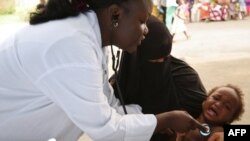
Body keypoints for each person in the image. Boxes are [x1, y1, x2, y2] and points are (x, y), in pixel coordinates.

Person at [0, 0, 206, 141]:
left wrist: (154, 120)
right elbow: (107, 130)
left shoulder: (91, 38)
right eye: (141, 21)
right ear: (115, 13)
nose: (146, 30)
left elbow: (109, 103)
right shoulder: (71, 45)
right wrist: (165, 120)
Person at [111, 15, 208, 141]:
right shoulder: (117, 87)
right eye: (154, 60)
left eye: (165, 58)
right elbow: (110, 129)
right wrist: (158, 123)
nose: (161, 62)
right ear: (134, 57)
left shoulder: (185, 77)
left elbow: (210, 122)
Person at [176, 84, 245, 141]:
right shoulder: (185, 122)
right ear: (205, 101)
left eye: (227, 106)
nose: (218, 105)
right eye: (216, 98)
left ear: (231, 119)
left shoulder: (223, 133)